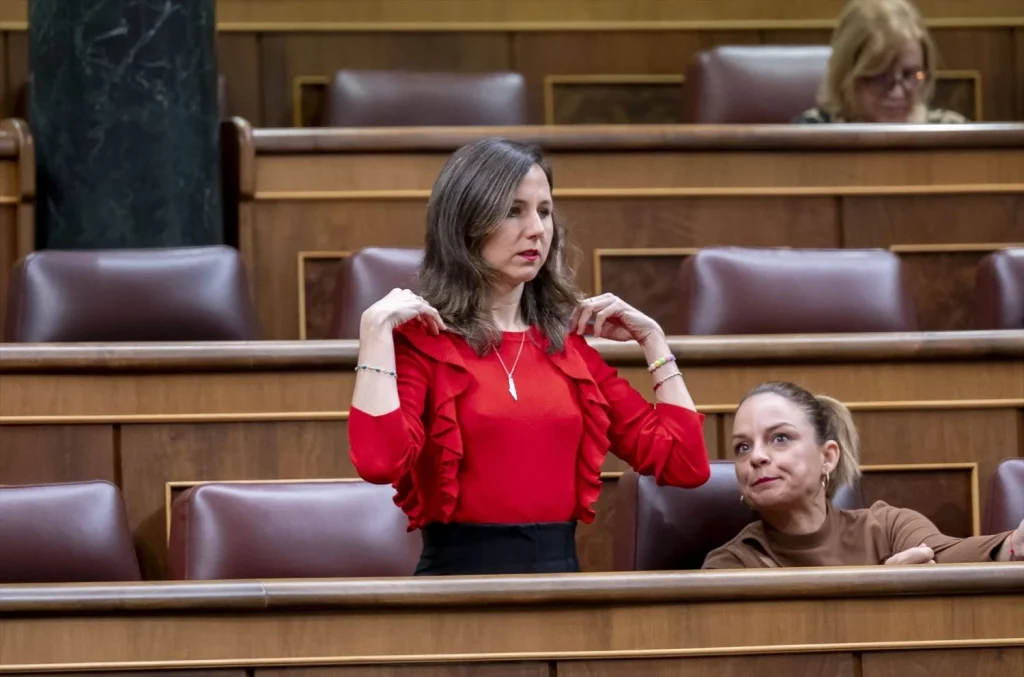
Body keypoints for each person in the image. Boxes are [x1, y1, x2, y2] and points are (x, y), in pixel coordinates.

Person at [348, 138, 711, 576]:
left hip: (560, 589)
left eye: (544, 211)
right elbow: (378, 462)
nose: (537, 229)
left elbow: (685, 464)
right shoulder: (425, 343)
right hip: (456, 593)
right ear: (466, 224)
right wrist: (374, 335)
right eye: (514, 210)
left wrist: (654, 341)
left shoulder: (569, 351)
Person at [703, 381, 1022, 568]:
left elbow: (947, 555)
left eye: (780, 438)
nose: (756, 456)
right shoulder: (731, 565)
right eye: (742, 447)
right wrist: (882, 595)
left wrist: (1013, 545)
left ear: (827, 457)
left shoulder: (887, 527)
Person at [793, 0, 968, 124]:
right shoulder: (811, 134)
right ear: (846, 76)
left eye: (910, 75)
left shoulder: (953, 131)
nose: (898, 93)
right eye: (880, 78)